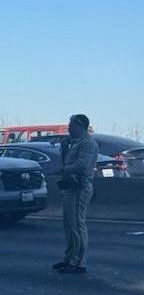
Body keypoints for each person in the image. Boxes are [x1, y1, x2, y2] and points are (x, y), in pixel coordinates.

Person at [54, 114, 97, 274]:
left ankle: (78, 262)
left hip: (80, 187)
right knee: (69, 224)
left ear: (80, 126)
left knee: (77, 224)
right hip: (71, 187)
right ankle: (70, 257)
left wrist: (65, 169)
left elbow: (83, 165)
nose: (69, 129)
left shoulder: (87, 144)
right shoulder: (77, 143)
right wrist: (64, 150)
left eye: (71, 126)